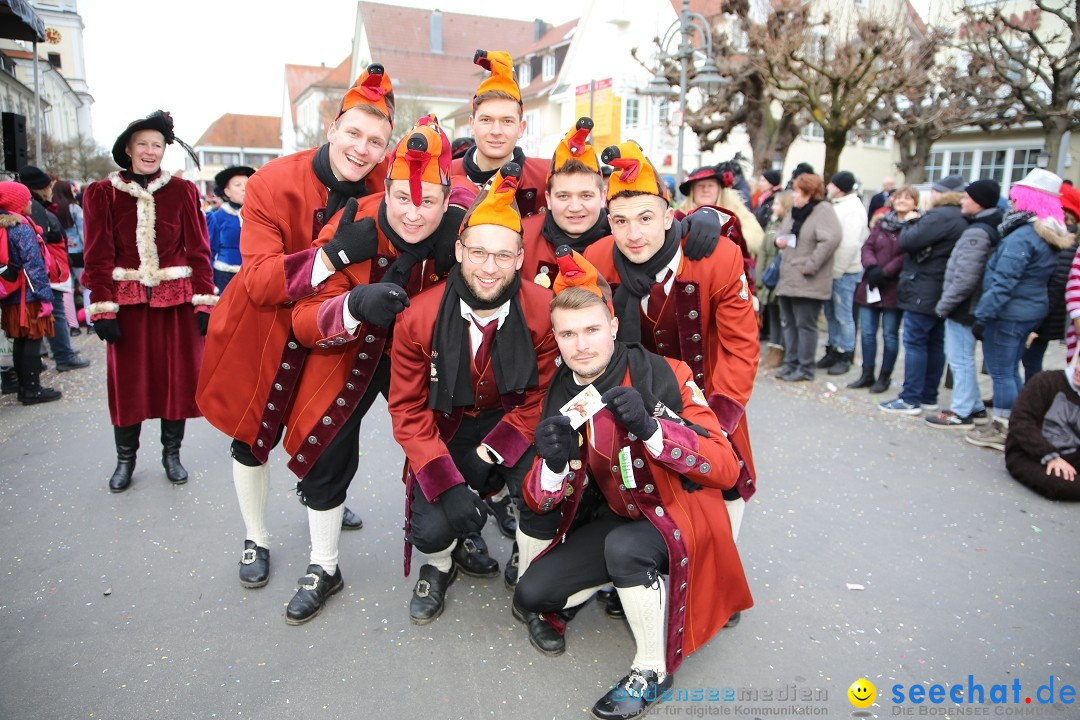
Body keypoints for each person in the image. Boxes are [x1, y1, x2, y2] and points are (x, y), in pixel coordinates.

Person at [516, 252, 752, 720]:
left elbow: (726, 468)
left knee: (626, 548)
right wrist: (554, 464)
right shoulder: (561, 393)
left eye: (591, 330)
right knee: (531, 594)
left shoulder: (667, 374)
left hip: (680, 511)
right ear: (555, 338)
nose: (581, 345)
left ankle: (651, 671)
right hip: (621, 515)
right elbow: (540, 498)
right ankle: (628, 585)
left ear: (613, 326)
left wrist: (652, 430)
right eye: (567, 334)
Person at [196, 66, 394, 587]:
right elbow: (262, 282)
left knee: (329, 430)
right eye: (353, 133)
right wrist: (332, 256)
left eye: (376, 141)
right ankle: (255, 536)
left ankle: (323, 499)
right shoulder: (270, 182)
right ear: (332, 127)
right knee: (251, 437)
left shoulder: (386, 180)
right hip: (262, 328)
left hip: (335, 326)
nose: (362, 148)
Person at [279, 114, 462, 624]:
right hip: (350, 350)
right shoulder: (353, 221)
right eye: (402, 198)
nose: (412, 212)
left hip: (424, 359)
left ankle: (438, 561)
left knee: (437, 443)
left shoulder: (461, 227)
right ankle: (324, 564)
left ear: (446, 199)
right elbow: (303, 317)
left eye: (427, 201)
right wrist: (355, 303)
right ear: (386, 190)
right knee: (327, 449)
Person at [388, 163, 559, 626]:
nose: (489, 267)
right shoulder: (417, 318)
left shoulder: (544, 311)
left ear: (521, 258)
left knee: (543, 488)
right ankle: (439, 563)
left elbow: (541, 395)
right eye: (478, 252)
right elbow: (406, 409)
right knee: (433, 527)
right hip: (447, 429)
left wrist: (494, 454)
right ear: (459, 250)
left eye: (503, 256)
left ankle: (530, 564)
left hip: (512, 422)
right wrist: (446, 480)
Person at [585, 140, 758, 542]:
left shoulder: (719, 258)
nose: (633, 235)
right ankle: (636, 564)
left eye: (646, 218)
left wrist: (718, 422)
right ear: (608, 222)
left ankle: (720, 566)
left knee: (723, 483)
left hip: (708, 394)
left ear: (669, 217)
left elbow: (741, 347)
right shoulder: (597, 257)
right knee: (630, 479)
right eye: (621, 221)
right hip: (632, 394)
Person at [82, 110, 213, 492]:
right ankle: (126, 460)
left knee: (176, 382)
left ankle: (172, 455)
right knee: (129, 384)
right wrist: (102, 305)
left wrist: (204, 301)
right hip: (127, 305)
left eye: (157, 145)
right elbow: (96, 255)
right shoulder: (101, 193)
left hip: (176, 303)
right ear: (128, 148)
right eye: (143, 144)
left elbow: (198, 250)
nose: (150, 151)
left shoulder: (183, 191)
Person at [966, 169, 1075, 451]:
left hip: (1009, 312)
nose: (1012, 203)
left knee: (1002, 372)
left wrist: (983, 316)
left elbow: (1003, 282)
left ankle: (1003, 428)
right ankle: (1015, 422)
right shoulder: (1048, 232)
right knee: (1011, 369)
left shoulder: (1023, 236)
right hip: (1028, 310)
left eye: (1016, 199)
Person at [879, 175, 968, 415]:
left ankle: (911, 398)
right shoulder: (961, 216)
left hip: (924, 287)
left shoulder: (940, 216)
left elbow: (908, 241)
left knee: (916, 342)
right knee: (934, 343)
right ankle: (929, 395)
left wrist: (910, 222)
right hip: (941, 288)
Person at [924, 179, 1002, 427]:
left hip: (965, 306)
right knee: (962, 357)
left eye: (967, 198)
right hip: (970, 303)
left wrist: (944, 305)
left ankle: (962, 410)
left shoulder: (978, 232)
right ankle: (975, 405)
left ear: (978, 203)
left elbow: (966, 276)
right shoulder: (986, 226)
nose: (962, 201)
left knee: (960, 358)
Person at [450, 50, 548, 217]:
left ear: (521, 128)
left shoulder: (545, 177)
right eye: (486, 120)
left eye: (507, 121)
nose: (496, 131)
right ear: (472, 125)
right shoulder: (444, 174)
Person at [849, 185, 920, 393]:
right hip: (871, 284)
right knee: (868, 332)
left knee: (890, 334)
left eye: (908, 198)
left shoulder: (915, 226)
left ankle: (885, 376)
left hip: (893, 287)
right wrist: (872, 267)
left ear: (915, 203)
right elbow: (867, 246)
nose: (902, 201)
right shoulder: (882, 223)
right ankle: (867, 373)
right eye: (899, 197)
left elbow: (906, 254)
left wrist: (885, 272)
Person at [19, 165, 90, 372]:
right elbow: (37, 243)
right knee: (54, 311)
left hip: (54, 268)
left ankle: (56, 352)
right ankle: (62, 355)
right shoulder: (39, 209)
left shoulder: (45, 207)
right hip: (51, 271)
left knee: (53, 310)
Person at [773, 172, 842, 381]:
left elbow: (830, 240)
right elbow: (781, 234)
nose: (794, 195)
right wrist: (779, 241)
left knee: (805, 325)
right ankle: (790, 363)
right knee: (789, 323)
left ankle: (805, 368)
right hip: (788, 278)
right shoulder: (796, 211)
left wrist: (810, 265)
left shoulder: (823, 211)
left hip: (808, 280)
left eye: (797, 191)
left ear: (809, 192)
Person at [0, 181, 61, 404]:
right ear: (15, 203)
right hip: (29, 295)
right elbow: (33, 265)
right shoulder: (22, 228)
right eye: (26, 199)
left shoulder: (4, 226)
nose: (30, 203)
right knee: (33, 340)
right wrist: (45, 297)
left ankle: (23, 388)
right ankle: (33, 390)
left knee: (20, 340)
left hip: (11, 294)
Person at [1003, 357, 1080, 501]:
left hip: (1072, 455)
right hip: (1031, 453)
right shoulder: (1046, 381)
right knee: (1063, 486)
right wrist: (1051, 456)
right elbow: (1020, 421)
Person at [818, 171, 868, 376]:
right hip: (832, 270)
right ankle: (832, 348)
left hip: (844, 271)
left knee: (843, 314)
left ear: (839, 187)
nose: (828, 186)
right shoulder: (838, 206)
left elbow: (849, 244)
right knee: (831, 313)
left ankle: (845, 352)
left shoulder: (853, 209)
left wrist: (837, 271)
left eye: (832, 183)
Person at [757, 190, 793, 370]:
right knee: (772, 316)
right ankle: (773, 349)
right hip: (769, 275)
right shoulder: (771, 223)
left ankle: (782, 351)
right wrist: (759, 276)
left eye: (778, 204)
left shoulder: (788, 225)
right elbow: (763, 250)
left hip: (780, 276)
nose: (773, 206)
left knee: (782, 317)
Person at [206, 165, 254, 293]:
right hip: (225, 278)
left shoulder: (259, 215)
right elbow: (209, 253)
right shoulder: (217, 218)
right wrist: (209, 285)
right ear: (227, 192)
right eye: (238, 185)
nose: (244, 188)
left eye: (247, 184)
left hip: (254, 277)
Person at [53, 180, 90, 335]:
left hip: (61, 253)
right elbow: (83, 230)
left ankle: (73, 326)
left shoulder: (52, 209)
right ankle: (90, 322)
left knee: (67, 290)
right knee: (87, 287)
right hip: (79, 252)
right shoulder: (74, 208)